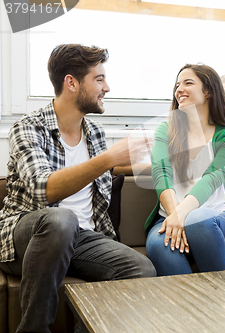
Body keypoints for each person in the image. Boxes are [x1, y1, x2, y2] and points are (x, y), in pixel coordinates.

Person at [0, 44, 156, 332]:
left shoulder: (93, 133)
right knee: (62, 218)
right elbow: (41, 188)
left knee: (141, 269)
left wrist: (169, 165)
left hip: (82, 239)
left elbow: (111, 169)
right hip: (29, 235)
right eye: (99, 79)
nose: (107, 87)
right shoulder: (28, 127)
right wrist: (108, 158)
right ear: (71, 82)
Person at [145, 64, 225, 276]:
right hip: (168, 216)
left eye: (188, 83)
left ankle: (221, 305)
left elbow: (211, 180)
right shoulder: (165, 131)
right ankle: (191, 308)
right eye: (177, 84)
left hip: (220, 221)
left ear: (208, 91)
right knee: (159, 246)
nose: (179, 89)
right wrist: (176, 217)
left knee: (198, 219)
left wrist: (183, 216)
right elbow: (161, 174)